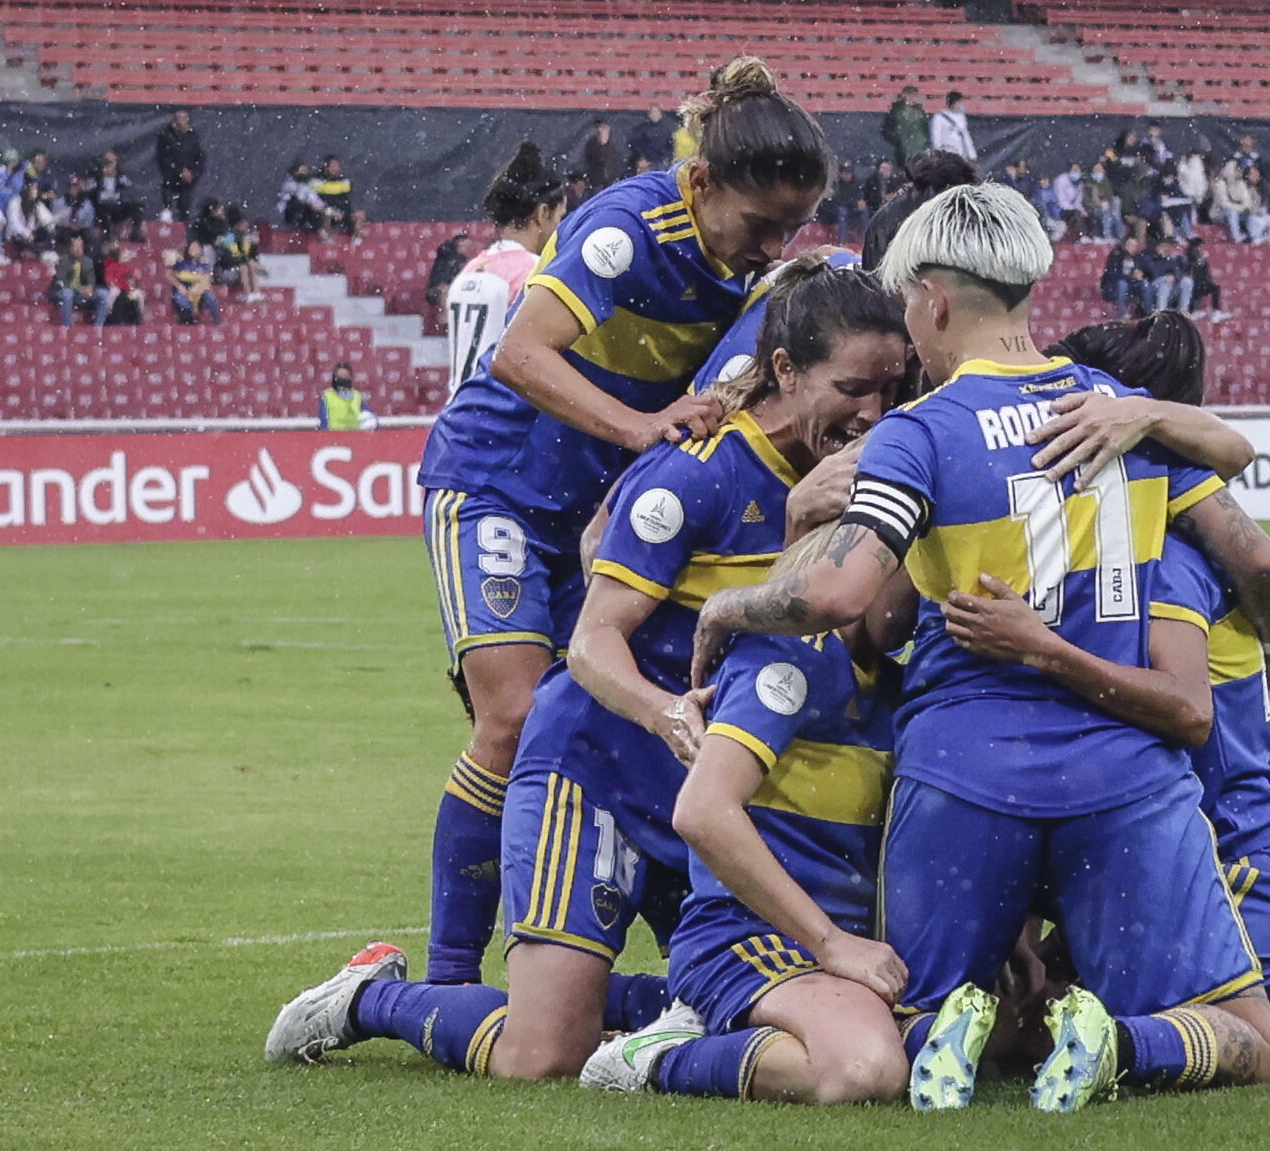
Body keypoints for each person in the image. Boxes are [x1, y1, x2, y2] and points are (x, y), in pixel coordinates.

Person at [689, 183, 1270, 1114]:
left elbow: (842, 594)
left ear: (930, 297)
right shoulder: (1117, 409)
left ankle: (950, 1030)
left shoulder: (918, 433)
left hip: (963, 777)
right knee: (1249, 1042)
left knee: (914, 1025)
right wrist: (1157, 415)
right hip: (1122, 772)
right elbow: (1241, 502)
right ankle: (1119, 1042)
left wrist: (731, 607)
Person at [265, 256, 909, 1086]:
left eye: (891, 390)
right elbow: (590, 642)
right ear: (786, 370)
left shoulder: (855, 479)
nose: (874, 413)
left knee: (741, 985)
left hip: (711, 782)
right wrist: (662, 712)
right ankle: (369, 999)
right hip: (600, 758)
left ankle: (647, 1025)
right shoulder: (697, 470)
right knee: (540, 1056)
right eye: (854, 388)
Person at [410, 56, 832, 992]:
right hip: (497, 484)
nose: (772, 247)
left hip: (598, 508)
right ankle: (444, 980)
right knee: (515, 715)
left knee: (606, 713)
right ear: (703, 181)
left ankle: (647, 965)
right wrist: (640, 429)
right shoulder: (625, 228)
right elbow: (521, 355)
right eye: (760, 224)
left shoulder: (753, 267)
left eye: (790, 228)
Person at [966, 312, 1270, 1074]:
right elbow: (1260, 560)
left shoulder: (1164, 564)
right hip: (1154, 860)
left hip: (1244, 867)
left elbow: (1198, 683)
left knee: (1089, 1033)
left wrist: (1039, 647)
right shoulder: (1120, 553)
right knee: (1021, 1029)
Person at [579, 522, 911, 1104]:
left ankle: (661, 1008)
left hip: (854, 948)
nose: (925, 585)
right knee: (864, 1069)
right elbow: (702, 813)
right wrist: (831, 942)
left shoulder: (898, 678)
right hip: (751, 935)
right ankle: (657, 1057)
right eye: (912, 565)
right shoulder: (786, 656)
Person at [445, 141, 568, 390]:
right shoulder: (536, 272)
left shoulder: (471, 268)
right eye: (560, 217)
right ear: (542, 213)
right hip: (497, 415)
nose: (561, 228)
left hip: (457, 410)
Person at [47, 233, 106, 327]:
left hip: (80, 295)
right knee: (67, 293)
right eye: (76, 247)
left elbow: (91, 280)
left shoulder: (87, 262)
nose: (79, 249)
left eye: (81, 247)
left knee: (103, 294)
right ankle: (67, 326)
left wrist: (90, 288)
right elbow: (62, 282)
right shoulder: (63, 261)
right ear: (70, 248)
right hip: (62, 292)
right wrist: (79, 288)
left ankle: (98, 327)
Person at [156, 109, 203, 222]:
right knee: (167, 207)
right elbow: (164, 156)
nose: (181, 121)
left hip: (187, 181)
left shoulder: (193, 137)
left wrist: (192, 173)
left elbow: (199, 157)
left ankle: (183, 228)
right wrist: (179, 171)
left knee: (185, 207)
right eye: (179, 119)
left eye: (184, 118)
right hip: (171, 177)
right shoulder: (166, 135)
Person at [89, 150, 145, 243]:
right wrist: (101, 176)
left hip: (117, 206)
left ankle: (135, 233)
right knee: (103, 213)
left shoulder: (120, 177)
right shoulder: (96, 177)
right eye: (107, 162)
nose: (110, 165)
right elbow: (88, 190)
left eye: (113, 162)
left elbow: (129, 188)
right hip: (103, 207)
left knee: (138, 207)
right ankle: (108, 236)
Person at [170, 240, 222, 324]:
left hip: (198, 291)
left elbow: (206, 280)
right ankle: (186, 317)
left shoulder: (204, 265)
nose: (195, 250)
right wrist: (179, 286)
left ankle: (217, 320)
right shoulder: (181, 264)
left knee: (210, 296)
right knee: (181, 300)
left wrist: (195, 291)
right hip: (183, 290)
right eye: (192, 248)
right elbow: (169, 275)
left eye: (197, 248)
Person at [1139, 235, 1193, 313]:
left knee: (1187, 281)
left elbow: (1177, 272)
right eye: (1163, 245)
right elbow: (1154, 273)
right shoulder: (1148, 256)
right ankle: (1161, 313)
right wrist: (1162, 259)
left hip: (1170, 286)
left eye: (1167, 246)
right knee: (1164, 284)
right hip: (1153, 286)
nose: (1166, 248)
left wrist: (1175, 277)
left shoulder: (1170, 258)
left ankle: (1183, 312)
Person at [879, 85, 930, 167]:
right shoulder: (896, 110)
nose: (911, 97)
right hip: (903, 149)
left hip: (918, 149)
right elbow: (885, 129)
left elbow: (925, 128)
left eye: (913, 94)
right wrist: (898, 140)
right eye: (909, 94)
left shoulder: (920, 111)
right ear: (904, 95)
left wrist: (925, 142)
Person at [319, 362, 379, 430]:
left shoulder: (357, 396)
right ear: (334, 378)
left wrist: (373, 422)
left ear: (350, 377)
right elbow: (324, 420)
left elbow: (369, 415)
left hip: (354, 436)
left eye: (345, 376)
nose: (343, 379)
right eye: (340, 376)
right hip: (334, 436)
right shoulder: (327, 396)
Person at [819, 160, 867, 245]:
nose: (848, 175)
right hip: (834, 211)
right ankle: (843, 241)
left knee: (864, 212)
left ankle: (864, 238)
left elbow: (859, 195)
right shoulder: (836, 184)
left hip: (851, 209)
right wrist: (854, 204)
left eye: (849, 173)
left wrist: (861, 202)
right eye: (845, 173)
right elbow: (838, 200)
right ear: (840, 174)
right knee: (842, 213)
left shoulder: (855, 183)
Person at [1184, 236, 1229, 322]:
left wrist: (1210, 281)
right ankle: (1191, 311)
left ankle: (1216, 312)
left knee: (1215, 287)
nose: (1200, 249)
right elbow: (1189, 274)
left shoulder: (1203, 260)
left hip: (1203, 283)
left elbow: (1206, 274)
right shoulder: (1187, 259)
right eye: (1198, 247)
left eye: (1202, 247)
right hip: (1193, 284)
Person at [99, 240, 144, 323]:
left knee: (139, 294)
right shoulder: (112, 266)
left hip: (126, 290)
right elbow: (108, 278)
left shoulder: (127, 268)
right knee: (115, 291)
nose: (125, 259)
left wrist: (132, 288)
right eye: (123, 257)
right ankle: (109, 307)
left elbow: (130, 280)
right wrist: (112, 283)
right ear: (118, 257)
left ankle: (141, 313)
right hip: (115, 288)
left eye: (126, 257)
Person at [425, 233, 474, 310]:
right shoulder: (448, 259)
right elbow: (443, 280)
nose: (469, 249)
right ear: (459, 245)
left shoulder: (462, 261)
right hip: (440, 291)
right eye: (466, 247)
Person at [1100, 233, 1143, 319]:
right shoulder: (1115, 256)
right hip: (1113, 286)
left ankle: (1144, 313)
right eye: (1130, 245)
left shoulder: (1139, 258)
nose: (1132, 248)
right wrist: (1130, 277)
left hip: (1132, 285)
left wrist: (1140, 277)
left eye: (1134, 246)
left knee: (1145, 285)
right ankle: (1121, 314)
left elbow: (1145, 272)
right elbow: (1112, 275)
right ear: (1124, 245)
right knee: (1122, 284)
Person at [313, 155, 357, 237]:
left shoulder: (343, 182)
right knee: (327, 214)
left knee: (359, 216)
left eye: (337, 166)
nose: (335, 169)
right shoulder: (317, 181)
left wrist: (343, 213)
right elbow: (319, 202)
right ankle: (326, 241)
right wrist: (334, 212)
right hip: (322, 215)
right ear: (326, 167)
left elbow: (345, 201)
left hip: (341, 213)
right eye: (332, 166)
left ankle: (357, 242)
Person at [929, 91, 976, 162]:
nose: (960, 105)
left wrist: (972, 154)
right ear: (953, 103)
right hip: (946, 152)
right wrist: (937, 152)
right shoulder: (939, 117)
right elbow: (936, 136)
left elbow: (965, 136)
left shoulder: (961, 117)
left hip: (960, 152)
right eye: (958, 102)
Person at [628, 105, 676, 170]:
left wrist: (667, 157)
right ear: (649, 115)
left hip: (662, 161)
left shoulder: (668, 128)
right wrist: (642, 157)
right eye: (653, 112)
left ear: (661, 114)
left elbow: (670, 145)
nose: (655, 115)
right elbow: (636, 145)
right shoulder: (641, 129)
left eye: (657, 112)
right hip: (647, 161)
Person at [583, 120, 623, 190]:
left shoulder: (614, 145)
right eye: (601, 131)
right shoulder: (591, 145)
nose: (603, 133)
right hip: (596, 182)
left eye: (605, 130)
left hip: (611, 182)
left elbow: (617, 162)